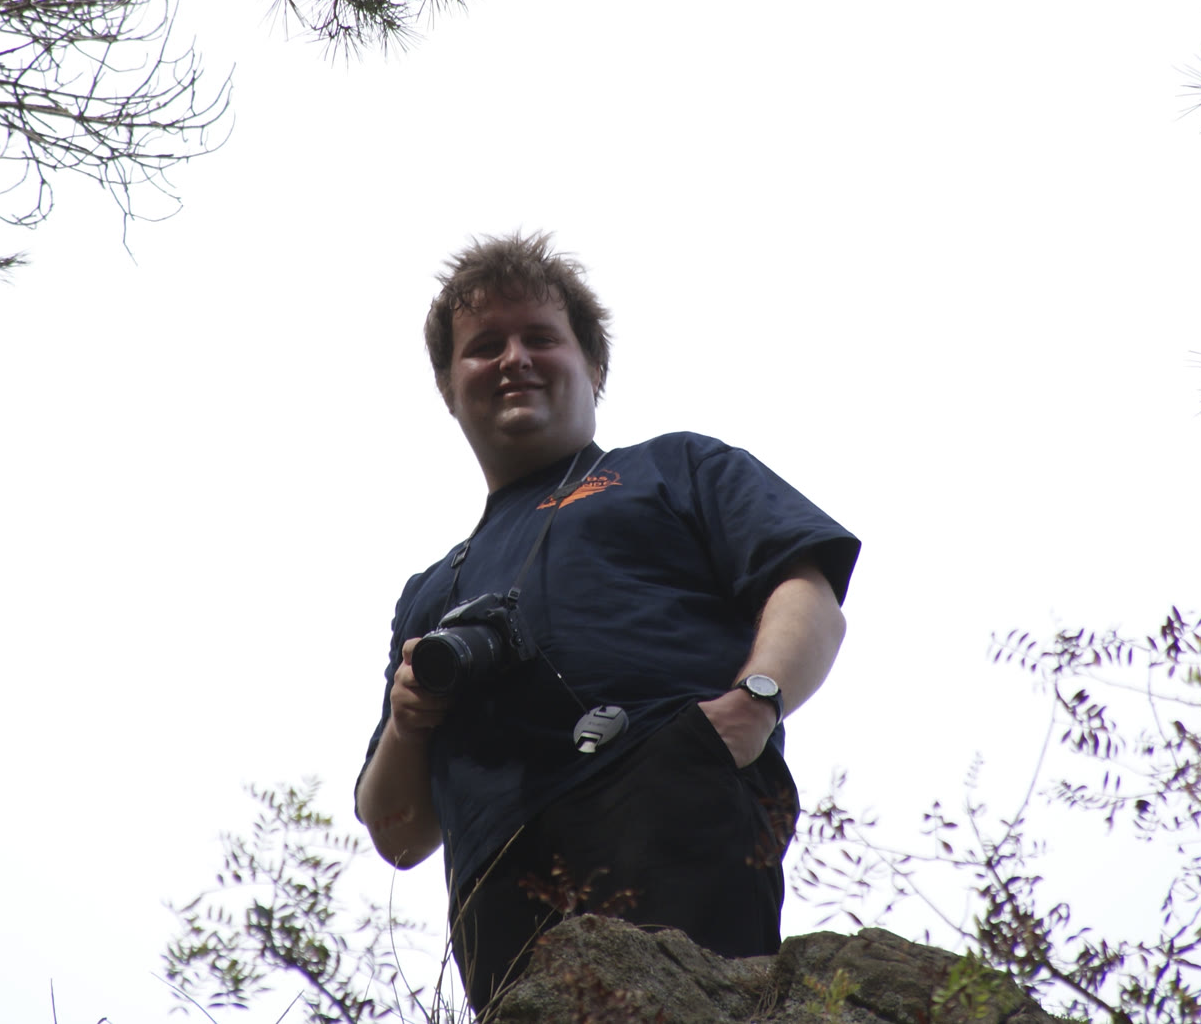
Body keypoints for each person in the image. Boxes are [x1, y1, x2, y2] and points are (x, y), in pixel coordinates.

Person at [354, 233, 857, 1012]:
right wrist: (408, 720)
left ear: (594, 366)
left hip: (667, 785)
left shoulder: (677, 465)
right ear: (449, 387)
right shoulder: (430, 593)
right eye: (484, 346)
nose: (513, 358)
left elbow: (808, 590)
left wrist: (752, 706)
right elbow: (400, 834)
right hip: (497, 869)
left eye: (540, 337)